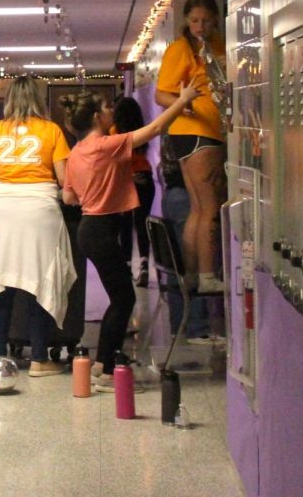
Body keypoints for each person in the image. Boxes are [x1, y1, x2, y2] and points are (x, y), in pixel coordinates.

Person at [63, 80, 198, 391]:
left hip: (91, 228)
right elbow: (152, 130)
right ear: (97, 118)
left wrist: (97, 186)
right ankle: (106, 367)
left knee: (120, 297)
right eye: (107, 108)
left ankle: (102, 364)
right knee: (123, 299)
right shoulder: (106, 145)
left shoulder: (77, 152)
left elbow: (69, 197)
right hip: (101, 229)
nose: (112, 110)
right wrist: (183, 100)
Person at [0, 76, 76, 377]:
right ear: (38, 98)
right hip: (40, 210)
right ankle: (39, 359)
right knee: (40, 281)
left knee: (1, 282)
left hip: (4, 210)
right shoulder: (51, 130)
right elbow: (64, 179)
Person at [155, 0, 227, 294]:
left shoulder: (218, 46)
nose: (201, 26)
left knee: (199, 207)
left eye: (207, 21)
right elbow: (162, 94)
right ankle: (207, 273)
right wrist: (183, 106)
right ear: (186, 20)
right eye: (195, 21)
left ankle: (195, 275)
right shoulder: (180, 50)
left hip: (207, 130)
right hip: (198, 131)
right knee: (209, 205)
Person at [158, 140, 215, 343]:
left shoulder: (173, 128)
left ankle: (180, 324)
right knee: (191, 260)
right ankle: (196, 327)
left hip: (175, 192)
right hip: (185, 195)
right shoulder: (190, 130)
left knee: (179, 262)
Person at [112, 97, 154, 288]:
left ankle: (127, 265)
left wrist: (128, 177)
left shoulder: (114, 132)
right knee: (142, 221)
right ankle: (144, 264)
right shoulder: (141, 131)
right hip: (144, 176)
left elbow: (117, 161)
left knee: (125, 224)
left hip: (125, 178)